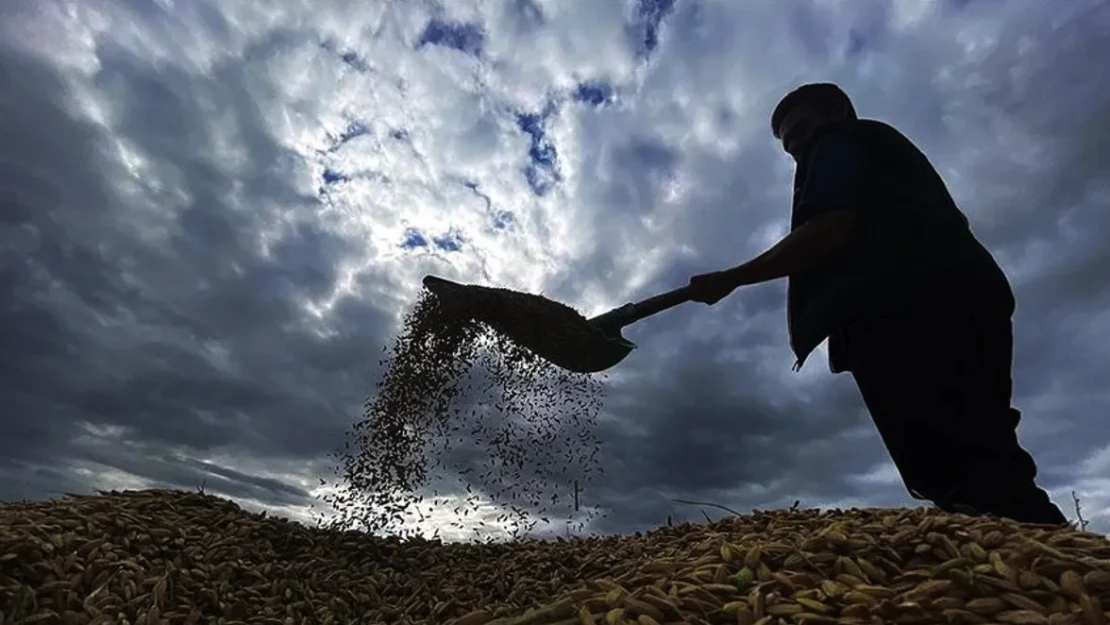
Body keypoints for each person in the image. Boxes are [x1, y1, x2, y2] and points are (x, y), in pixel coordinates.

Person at [687, 82, 1068, 525]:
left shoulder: (841, 141)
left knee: (965, 462)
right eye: (791, 148)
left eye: (804, 132)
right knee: (974, 452)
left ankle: (1049, 567)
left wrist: (731, 279)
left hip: (916, 306)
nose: (801, 151)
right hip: (955, 295)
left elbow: (830, 227)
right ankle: (1033, 564)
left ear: (838, 113)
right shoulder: (880, 157)